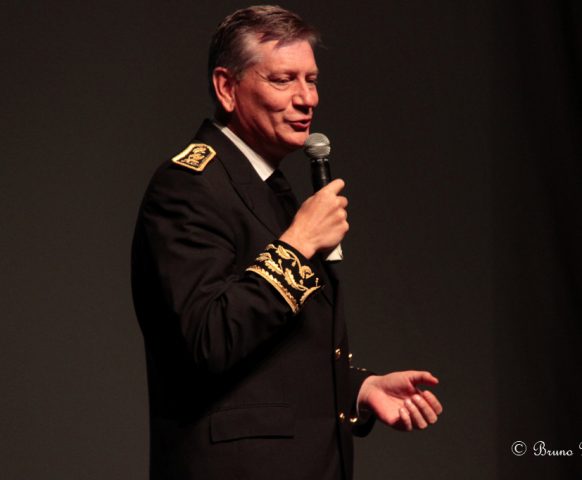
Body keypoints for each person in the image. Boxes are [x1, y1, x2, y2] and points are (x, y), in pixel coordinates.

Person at [131, 5, 443, 480]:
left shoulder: (269, 186)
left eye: (311, 79)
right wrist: (296, 246)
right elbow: (206, 340)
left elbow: (276, 360)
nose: (306, 98)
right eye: (283, 80)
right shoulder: (189, 187)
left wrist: (359, 390)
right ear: (226, 87)